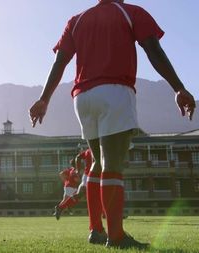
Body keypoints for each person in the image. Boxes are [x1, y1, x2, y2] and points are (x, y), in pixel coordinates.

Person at [29, 0, 195, 249]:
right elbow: (153, 50)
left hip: (82, 98)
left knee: (97, 162)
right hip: (114, 91)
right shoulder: (131, 12)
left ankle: (96, 229)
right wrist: (179, 87)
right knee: (112, 164)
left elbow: (60, 62)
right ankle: (116, 236)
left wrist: (44, 99)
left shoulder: (77, 20)